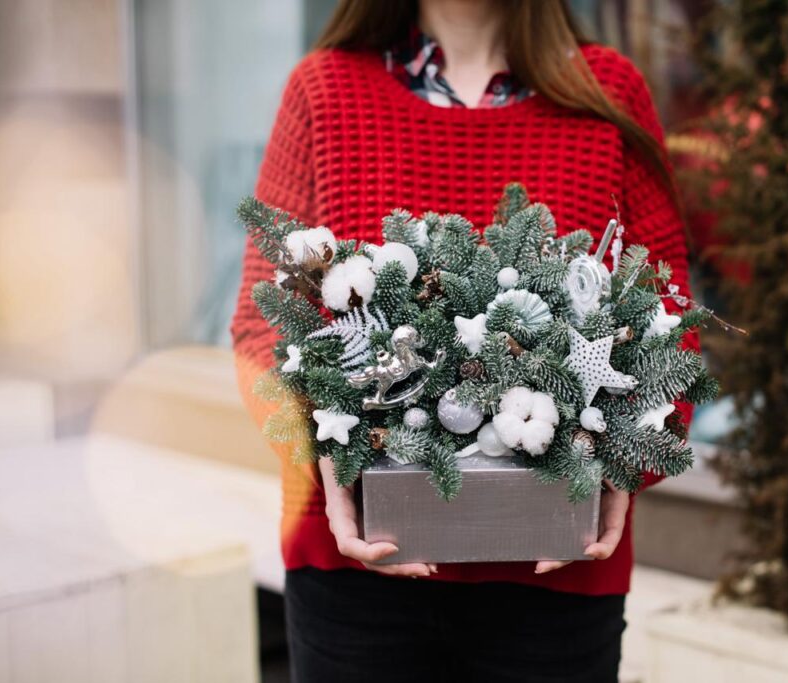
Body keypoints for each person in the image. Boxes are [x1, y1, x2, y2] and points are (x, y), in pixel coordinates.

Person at [230, 0, 696, 680]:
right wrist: (319, 456)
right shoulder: (324, 91)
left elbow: (670, 326)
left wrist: (629, 461)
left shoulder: (607, 94)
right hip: (354, 586)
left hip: (556, 586)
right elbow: (259, 325)